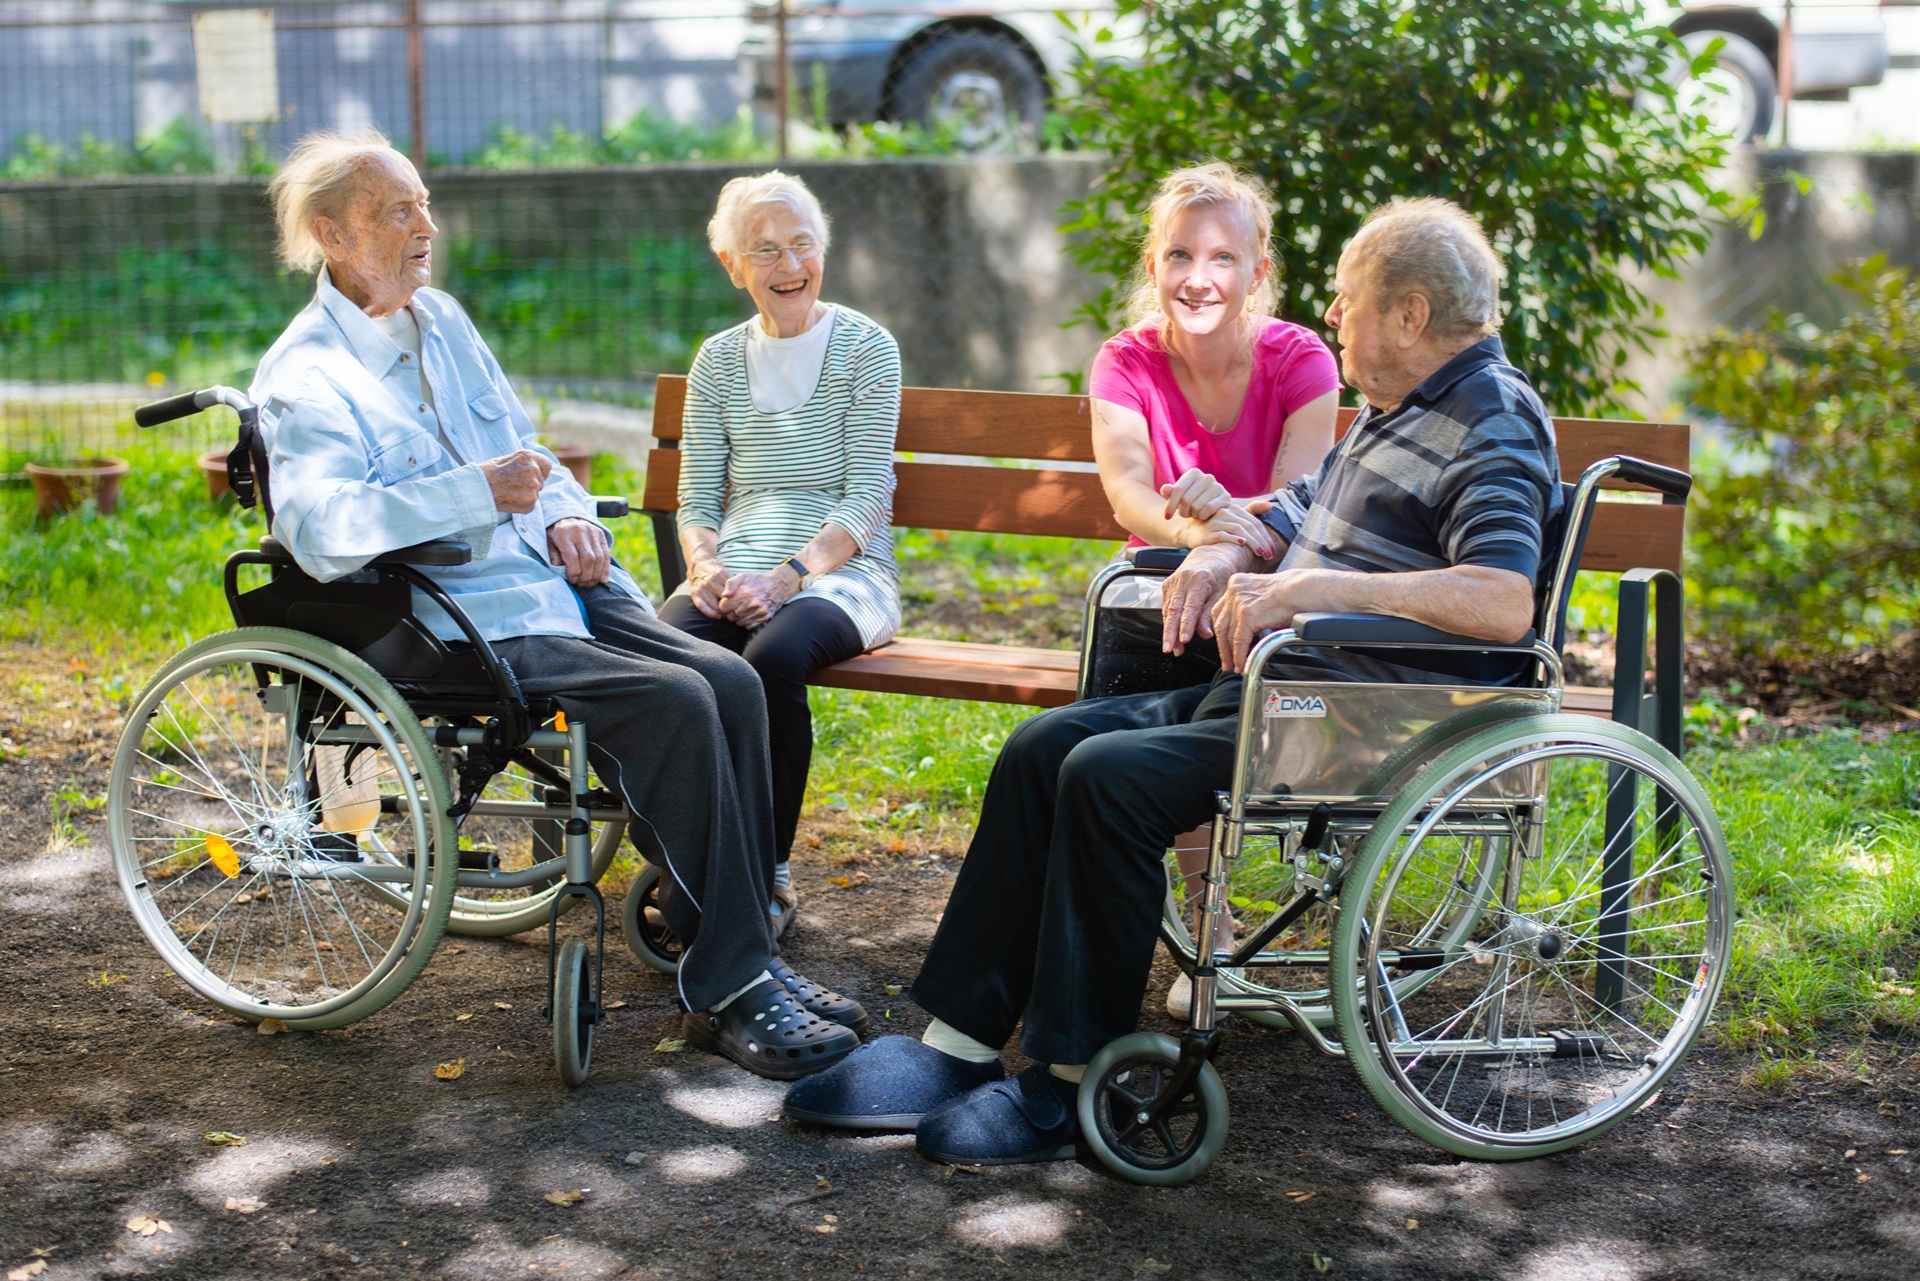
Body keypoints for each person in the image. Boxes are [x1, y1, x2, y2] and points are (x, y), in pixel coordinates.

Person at [783, 196, 1564, 1164]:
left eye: (1349, 300)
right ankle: (958, 1044)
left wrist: (1304, 588)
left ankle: (1074, 1080)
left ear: (1411, 315)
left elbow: (1500, 601)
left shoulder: (1490, 419)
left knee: (1106, 780)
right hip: (1284, 694)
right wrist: (1226, 551)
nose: (1331, 317)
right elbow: (1294, 505)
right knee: (1043, 748)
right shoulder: (1399, 411)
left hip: (1366, 717)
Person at [249, 131, 865, 1081]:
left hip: (549, 578)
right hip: (452, 618)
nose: (427, 226)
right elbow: (322, 528)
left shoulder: (442, 319)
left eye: (424, 203)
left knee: (731, 681)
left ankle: (742, 947)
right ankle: (733, 985)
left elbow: (524, 454)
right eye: (397, 212)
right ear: (332, 236)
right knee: (676, 702)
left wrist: (575, 517)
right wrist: (473, 495)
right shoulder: (307, 374)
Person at [1086, 163, 1340, 1017]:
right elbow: (1128, 493)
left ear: (1258, 273)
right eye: (1181, 255)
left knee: (1222, 630)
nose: (1200, 278)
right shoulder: (1123, 360)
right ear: (1153, 266)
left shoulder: (1300, 357)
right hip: (1167, 569)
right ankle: (1197, 899)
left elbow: (1300, 503)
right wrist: (1203, 539)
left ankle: (1210, 897)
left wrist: (1229, 533)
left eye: (1224, 258)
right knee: (1171, 622)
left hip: (1276, 577)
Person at [658, 172, 902, 939]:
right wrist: (704, 567)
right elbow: (696, 502)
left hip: (843, 576)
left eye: (802, 243)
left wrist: (788, 575)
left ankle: (765, 874)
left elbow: (867, 497)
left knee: (770, 659)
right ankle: (689, 865)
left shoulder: (867, 347)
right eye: (765, 249)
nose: (789, 263)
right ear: (734, 265)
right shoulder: (719, 360)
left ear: (822, 250)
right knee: (659, 661)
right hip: (734, 575)